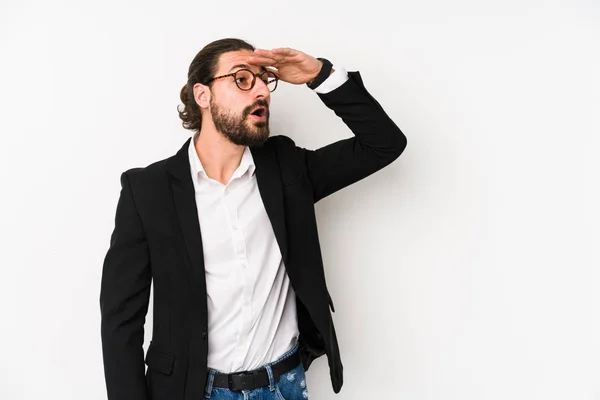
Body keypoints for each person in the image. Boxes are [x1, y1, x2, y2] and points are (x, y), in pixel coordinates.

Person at [99, 38, 407, 400]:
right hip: (191, 390)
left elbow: (384, 143)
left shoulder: (288, 170)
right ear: (203, 95)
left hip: (284, 386)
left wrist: (319, 74)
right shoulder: (147, 191)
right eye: (243, 79)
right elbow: (121, 323)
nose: (261, 90)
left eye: (264, 79)